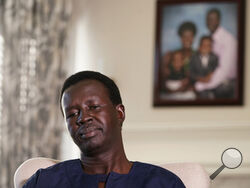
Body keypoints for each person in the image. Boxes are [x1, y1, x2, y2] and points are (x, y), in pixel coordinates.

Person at [23, 71, 186, 188]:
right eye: (72, 114)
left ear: (119, 113)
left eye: (93, 107)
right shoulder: (44, 181)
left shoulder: (164, 183)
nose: (83, 118)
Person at [195, 8, 237, 98]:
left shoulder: (228, 40)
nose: (210, 22)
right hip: (213, 79)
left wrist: (200, 85)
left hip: (227, 83)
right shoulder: (209, 38)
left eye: (213, 19)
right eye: (208, 19)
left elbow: (223, 71)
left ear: (219, 20)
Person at [161, 21, 196, 95]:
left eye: (190, 36)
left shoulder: (198, 56)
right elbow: (162, 78)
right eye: (184, 36)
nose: (187, 39)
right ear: (180, 38)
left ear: (194, 38)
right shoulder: (171, 55)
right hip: (171, 91)